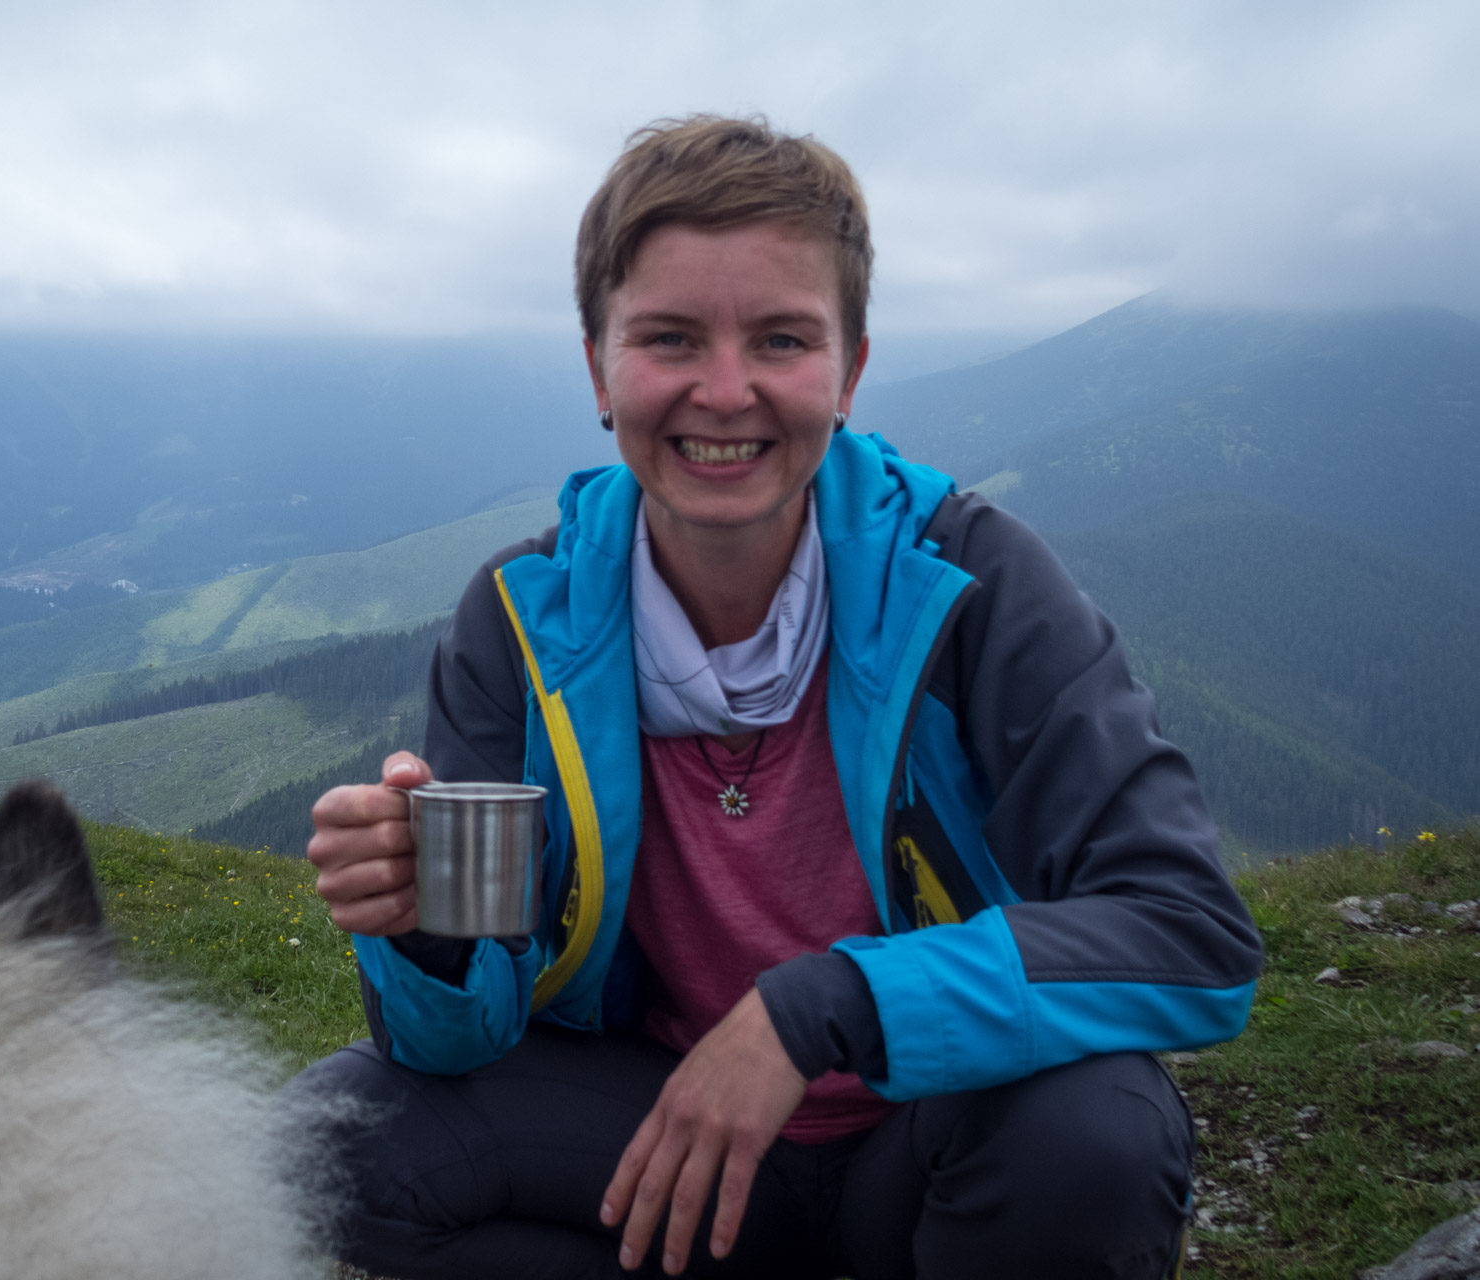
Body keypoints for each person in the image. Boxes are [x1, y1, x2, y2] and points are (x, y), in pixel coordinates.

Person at [295, 115, 1262, 1279]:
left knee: (1091, 1131)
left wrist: (822, 1007)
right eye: (667, 337)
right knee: (328, 1147)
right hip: (671, 1140)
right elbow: (456, 1034)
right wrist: (426, 934)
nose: (724, 389)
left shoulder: (968, 588)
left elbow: (1190, 933)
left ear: (849, 368)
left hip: (931, 1131)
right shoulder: (518, 620)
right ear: (598, 367)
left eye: (781, 339)